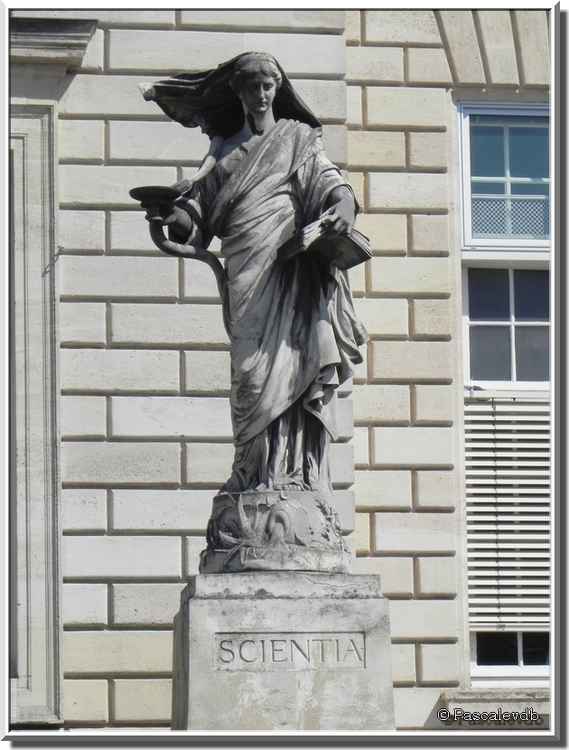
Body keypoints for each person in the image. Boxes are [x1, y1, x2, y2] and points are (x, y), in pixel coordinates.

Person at [142, 52, 367, 498]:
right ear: (239, 92)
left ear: (277, 89)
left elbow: (328, 180)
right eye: (251, 86)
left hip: (291, 271)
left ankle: (294, 478)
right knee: (250, 375)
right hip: (246, 276)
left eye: (268, 86)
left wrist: (342, 204)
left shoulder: (298, 138)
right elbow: (196, 221)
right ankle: (254, 473)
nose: (261, 95)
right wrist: (166, 214)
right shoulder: (223, 155)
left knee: (296, 364)